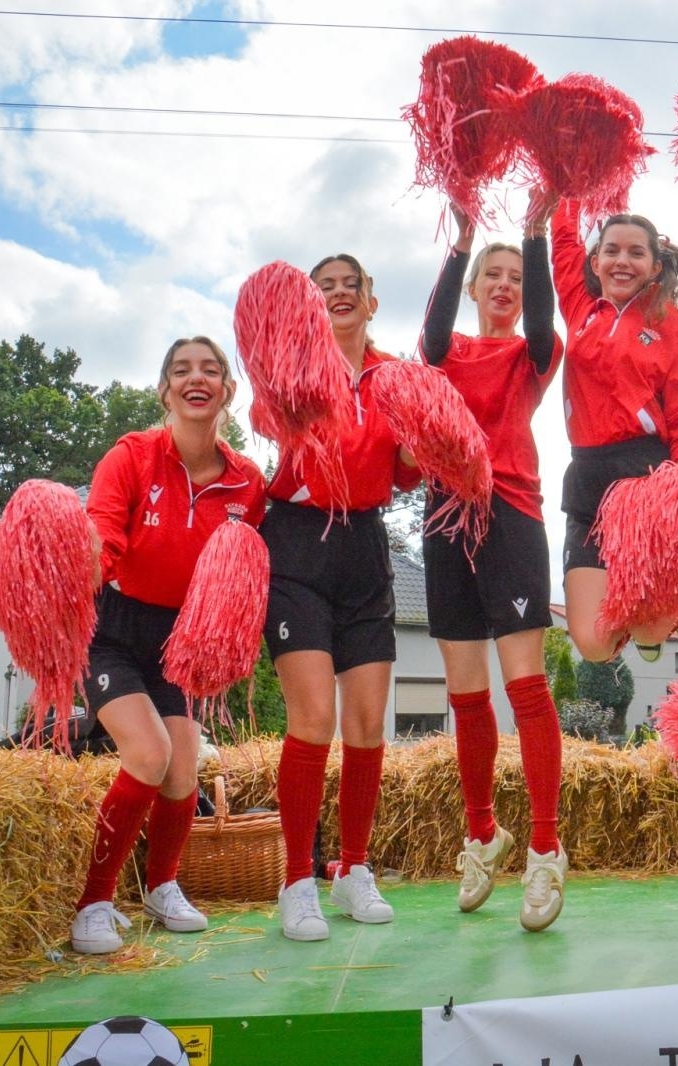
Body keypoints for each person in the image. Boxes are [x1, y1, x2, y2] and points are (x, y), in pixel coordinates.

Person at [70, 336, 266, 954]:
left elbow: (250, 566)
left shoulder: (246, 483)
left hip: (178, 642)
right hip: (114, 630)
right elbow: (103, 532)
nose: (196, 378)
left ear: (228, 392)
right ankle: (93, 904)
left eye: (210, 370)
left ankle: (162, 887)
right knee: (149, 754)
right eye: (182, 371)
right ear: (165, 391)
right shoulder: (131, 456)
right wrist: (85, 566)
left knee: (184, 769)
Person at [416, 191, 567, 931]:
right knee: (466, 695)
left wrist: (534, 236)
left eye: (514, 275)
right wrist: (461, 241)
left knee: (526, 687)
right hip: (446, 520)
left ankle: (544, 848)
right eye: (492, 275)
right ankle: (482, 833)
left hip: (510, 516)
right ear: (475, 289)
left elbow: (543, 321)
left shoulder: (532, 353)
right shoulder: (445, 355)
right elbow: (430, 335)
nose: (504, 284)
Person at [264, 253, 421, 941]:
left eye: (348, 285)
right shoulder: (294, 368)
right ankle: (296, 879)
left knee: (366, 724)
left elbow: (411, 473)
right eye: (322, 288)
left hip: (364, 545)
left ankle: (352, 868)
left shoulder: (395, 378)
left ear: (370, 299)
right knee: (313, 720)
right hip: (297, 545)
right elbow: (269, 420)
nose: (337, 295)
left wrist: (429, 441)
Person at [550, 197, 678, 663]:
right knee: (595, 646)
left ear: (655, 266)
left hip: (644, 475)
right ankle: (639, 617)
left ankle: (669, 609)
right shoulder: (579, 307)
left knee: (648, 624)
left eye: (636, 252)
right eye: (611, 251)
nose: (622, 261)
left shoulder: (674, 327)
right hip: (586, 476)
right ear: (594, 262)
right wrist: (574, 183)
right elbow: (561, 240)